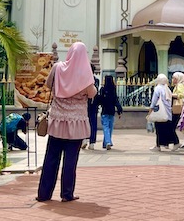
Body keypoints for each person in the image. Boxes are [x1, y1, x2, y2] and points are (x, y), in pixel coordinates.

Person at [37, 41, 96, 202]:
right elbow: (92, 94)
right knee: (70, 160)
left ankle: (44, 194)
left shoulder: (57, 67)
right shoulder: (86, 73)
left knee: (51, 157)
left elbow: (49, 84)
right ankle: (67, 193)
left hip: (57, 120)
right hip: (76, 123)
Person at [149, 73, 175, 150]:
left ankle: (158, 146)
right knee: (166, 128)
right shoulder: (167, 89)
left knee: (159, 129)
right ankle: (165, 144)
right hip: (168, 112)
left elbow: (154, 101)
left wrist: (151, 109)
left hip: (160, 111)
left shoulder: (158, 88)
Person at [98, 74, 122, 150]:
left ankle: (107, 142)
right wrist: (119, 110)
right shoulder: (113, 89)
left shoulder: (103, 89)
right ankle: (107, 142)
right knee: (110, 127)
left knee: (106, 127)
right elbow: (116, 100)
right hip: (111, 111)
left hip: (105, 111)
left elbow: (100, 99)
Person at [82, 67, 101, 149]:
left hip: (85, 104)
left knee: (85, 122)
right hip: (93, 104)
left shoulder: (84, 80)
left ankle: (85, 139)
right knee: (93, 123)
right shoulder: (96, 80)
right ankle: (91, 142)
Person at [170, 71, 184, 146]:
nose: (173, 79)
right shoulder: (177, 85)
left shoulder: (180, 85)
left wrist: (172, 95)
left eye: (174, 78)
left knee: (172, 126)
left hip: (178, 108)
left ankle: (176, 142)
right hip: (177, 108)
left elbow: (182, 95)